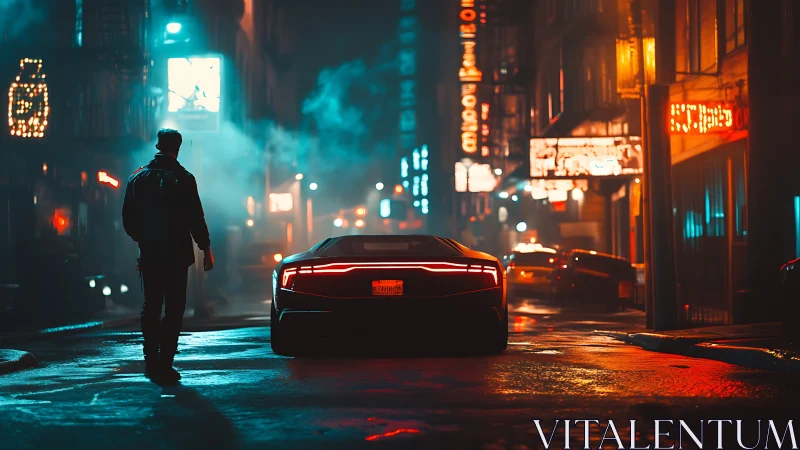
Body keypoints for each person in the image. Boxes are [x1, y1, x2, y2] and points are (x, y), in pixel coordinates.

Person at [122, 128, 214, 383]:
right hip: (177, 254)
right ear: (178, 147)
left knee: (151, 306)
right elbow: (196, 217)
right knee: (174, 308)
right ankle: (166, 361)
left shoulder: (137, 178)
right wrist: (205, 248)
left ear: (158, 146)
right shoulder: (184, 178)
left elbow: (128, 219)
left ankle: (150, 359)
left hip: (150, 253)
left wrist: (144, 238)